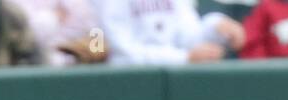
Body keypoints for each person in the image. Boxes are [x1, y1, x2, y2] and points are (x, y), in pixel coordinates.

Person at [95, 0, 246, 63]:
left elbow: (189, 37)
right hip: (126, 85)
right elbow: (121, 53)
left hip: (174, 83)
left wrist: (216, 26)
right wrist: (184, 57)